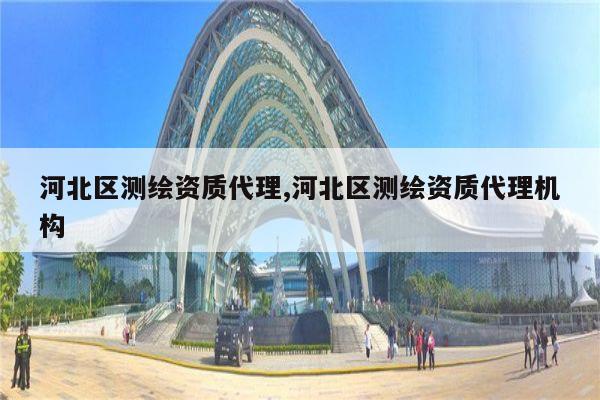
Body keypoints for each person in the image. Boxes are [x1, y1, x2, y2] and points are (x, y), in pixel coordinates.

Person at [17, 325, 31, 390]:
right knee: (27, 371)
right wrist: (28, 355)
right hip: (26, 357)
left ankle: (24, 385)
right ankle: (27, 384)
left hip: (23, 357)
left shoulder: (22, 337)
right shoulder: (28, 337)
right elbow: (30, 348)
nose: (27, 331)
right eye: (27, 330)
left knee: (24, 371)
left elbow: (19, 348)